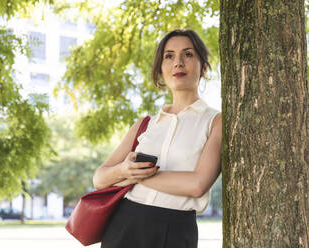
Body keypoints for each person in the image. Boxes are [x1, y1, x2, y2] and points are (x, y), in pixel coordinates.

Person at [93, 29, 222, 248]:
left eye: (188, 54)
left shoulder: (215, 122)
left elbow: (197, 185)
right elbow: (99, 178)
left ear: (204, 66)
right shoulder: (145, 124)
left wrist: (134, 176)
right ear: (161, 69)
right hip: (124, 224)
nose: (178, 63)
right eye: (169, 56)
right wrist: (122, 172)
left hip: (175, 230)